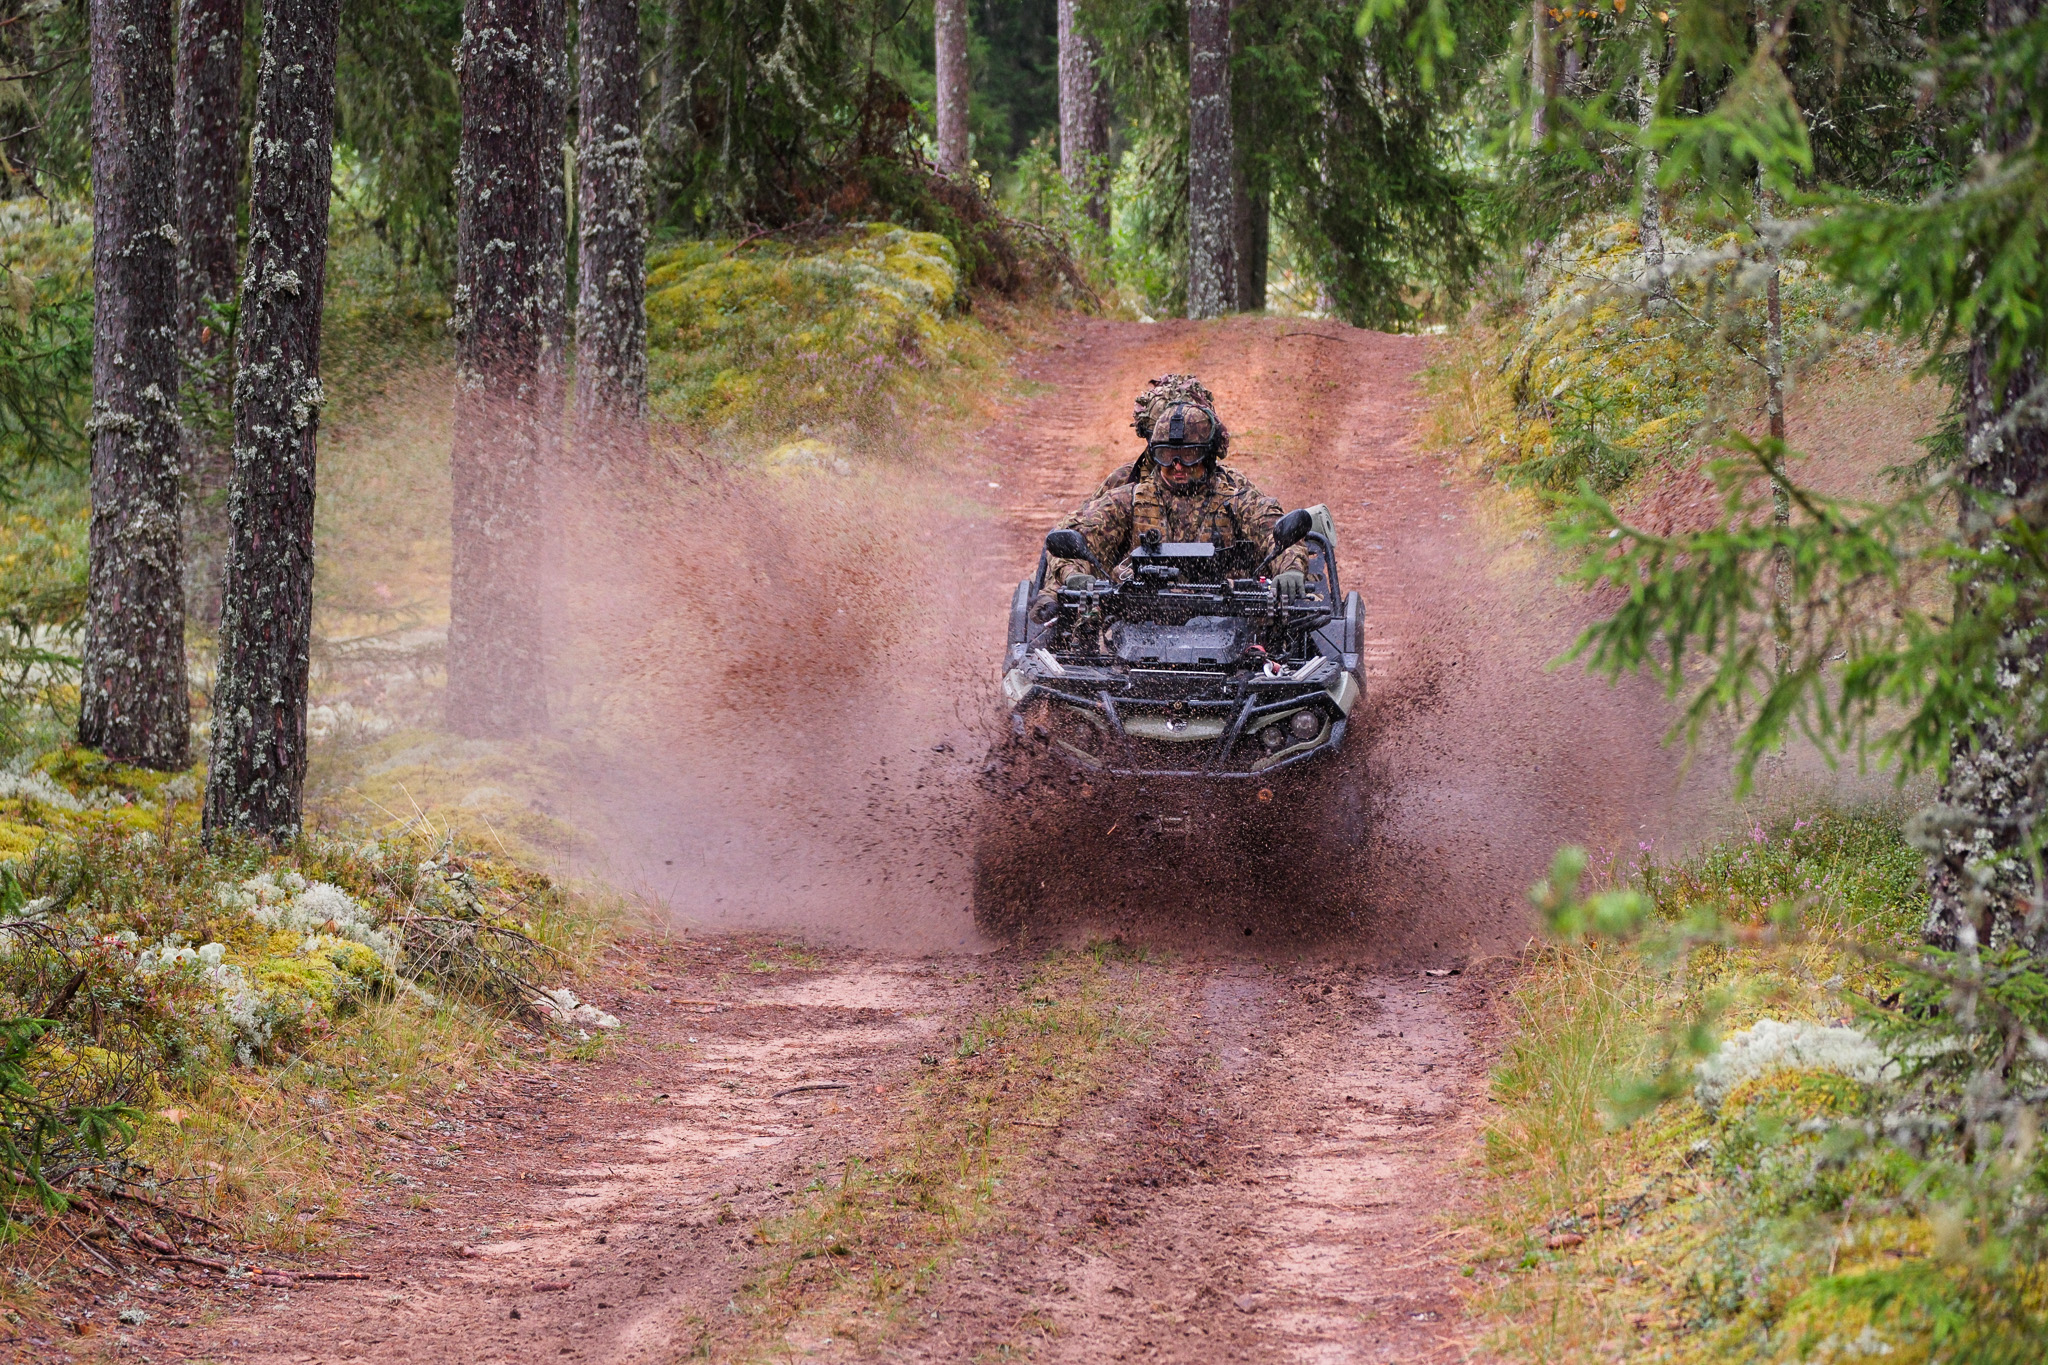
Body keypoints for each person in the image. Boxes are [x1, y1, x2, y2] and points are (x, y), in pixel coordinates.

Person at [1040, 397, 1308, 616]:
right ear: (1154, 455)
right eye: (1167, 456)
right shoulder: (1127, 500)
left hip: (1230, 621)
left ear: (1208, 455)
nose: (1177, 465)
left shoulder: (1238, 501)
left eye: (1189, 455)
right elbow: (1080, 535)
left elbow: (1276, 532)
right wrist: (1075, 574)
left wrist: (1291, 569)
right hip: (1135, 623)